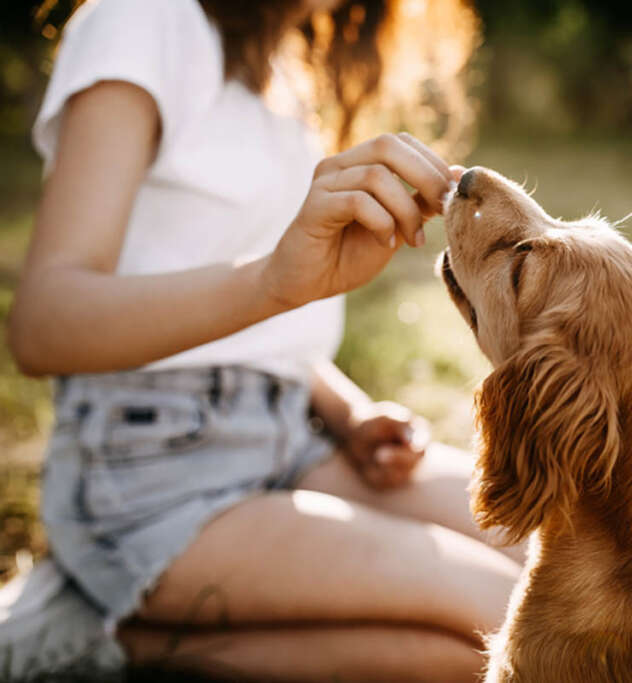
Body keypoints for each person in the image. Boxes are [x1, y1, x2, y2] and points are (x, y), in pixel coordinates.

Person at [1, 0, 521, 680]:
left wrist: (347, 411)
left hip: (289, 439)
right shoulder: (141, 20)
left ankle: (120, 630)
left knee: (561, 554)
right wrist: (274, 281)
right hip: (149, 473)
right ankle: (94, 639)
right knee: (504, 622)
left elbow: (238, 320)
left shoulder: (285, 63)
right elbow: (43, 325)